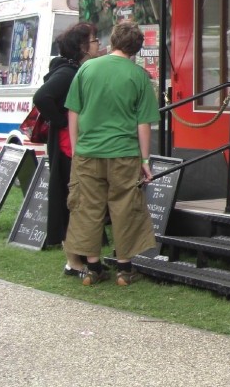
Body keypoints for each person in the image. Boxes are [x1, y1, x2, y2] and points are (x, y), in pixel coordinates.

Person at [64, 21, 160, 286]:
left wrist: (76, 147)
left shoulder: (87, 68)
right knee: (125, 208)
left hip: (88, 152)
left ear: (113, 41)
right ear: (136, 49)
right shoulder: (139, 77)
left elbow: (73, 111)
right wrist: (145, 160)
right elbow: (143, 124)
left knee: (87, 208)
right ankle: (124, 269)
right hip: (124, 153)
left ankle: (93, 268)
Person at [32, 22, 101, 275]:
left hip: (71, 144)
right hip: (66, 148)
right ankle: (73, 262)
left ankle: (81, 258)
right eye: (94, 40)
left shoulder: (76, 70)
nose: (98, 44)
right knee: (70, 200)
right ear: (82, 46)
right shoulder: (68, 73)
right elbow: (42, 97)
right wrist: (61, 121)